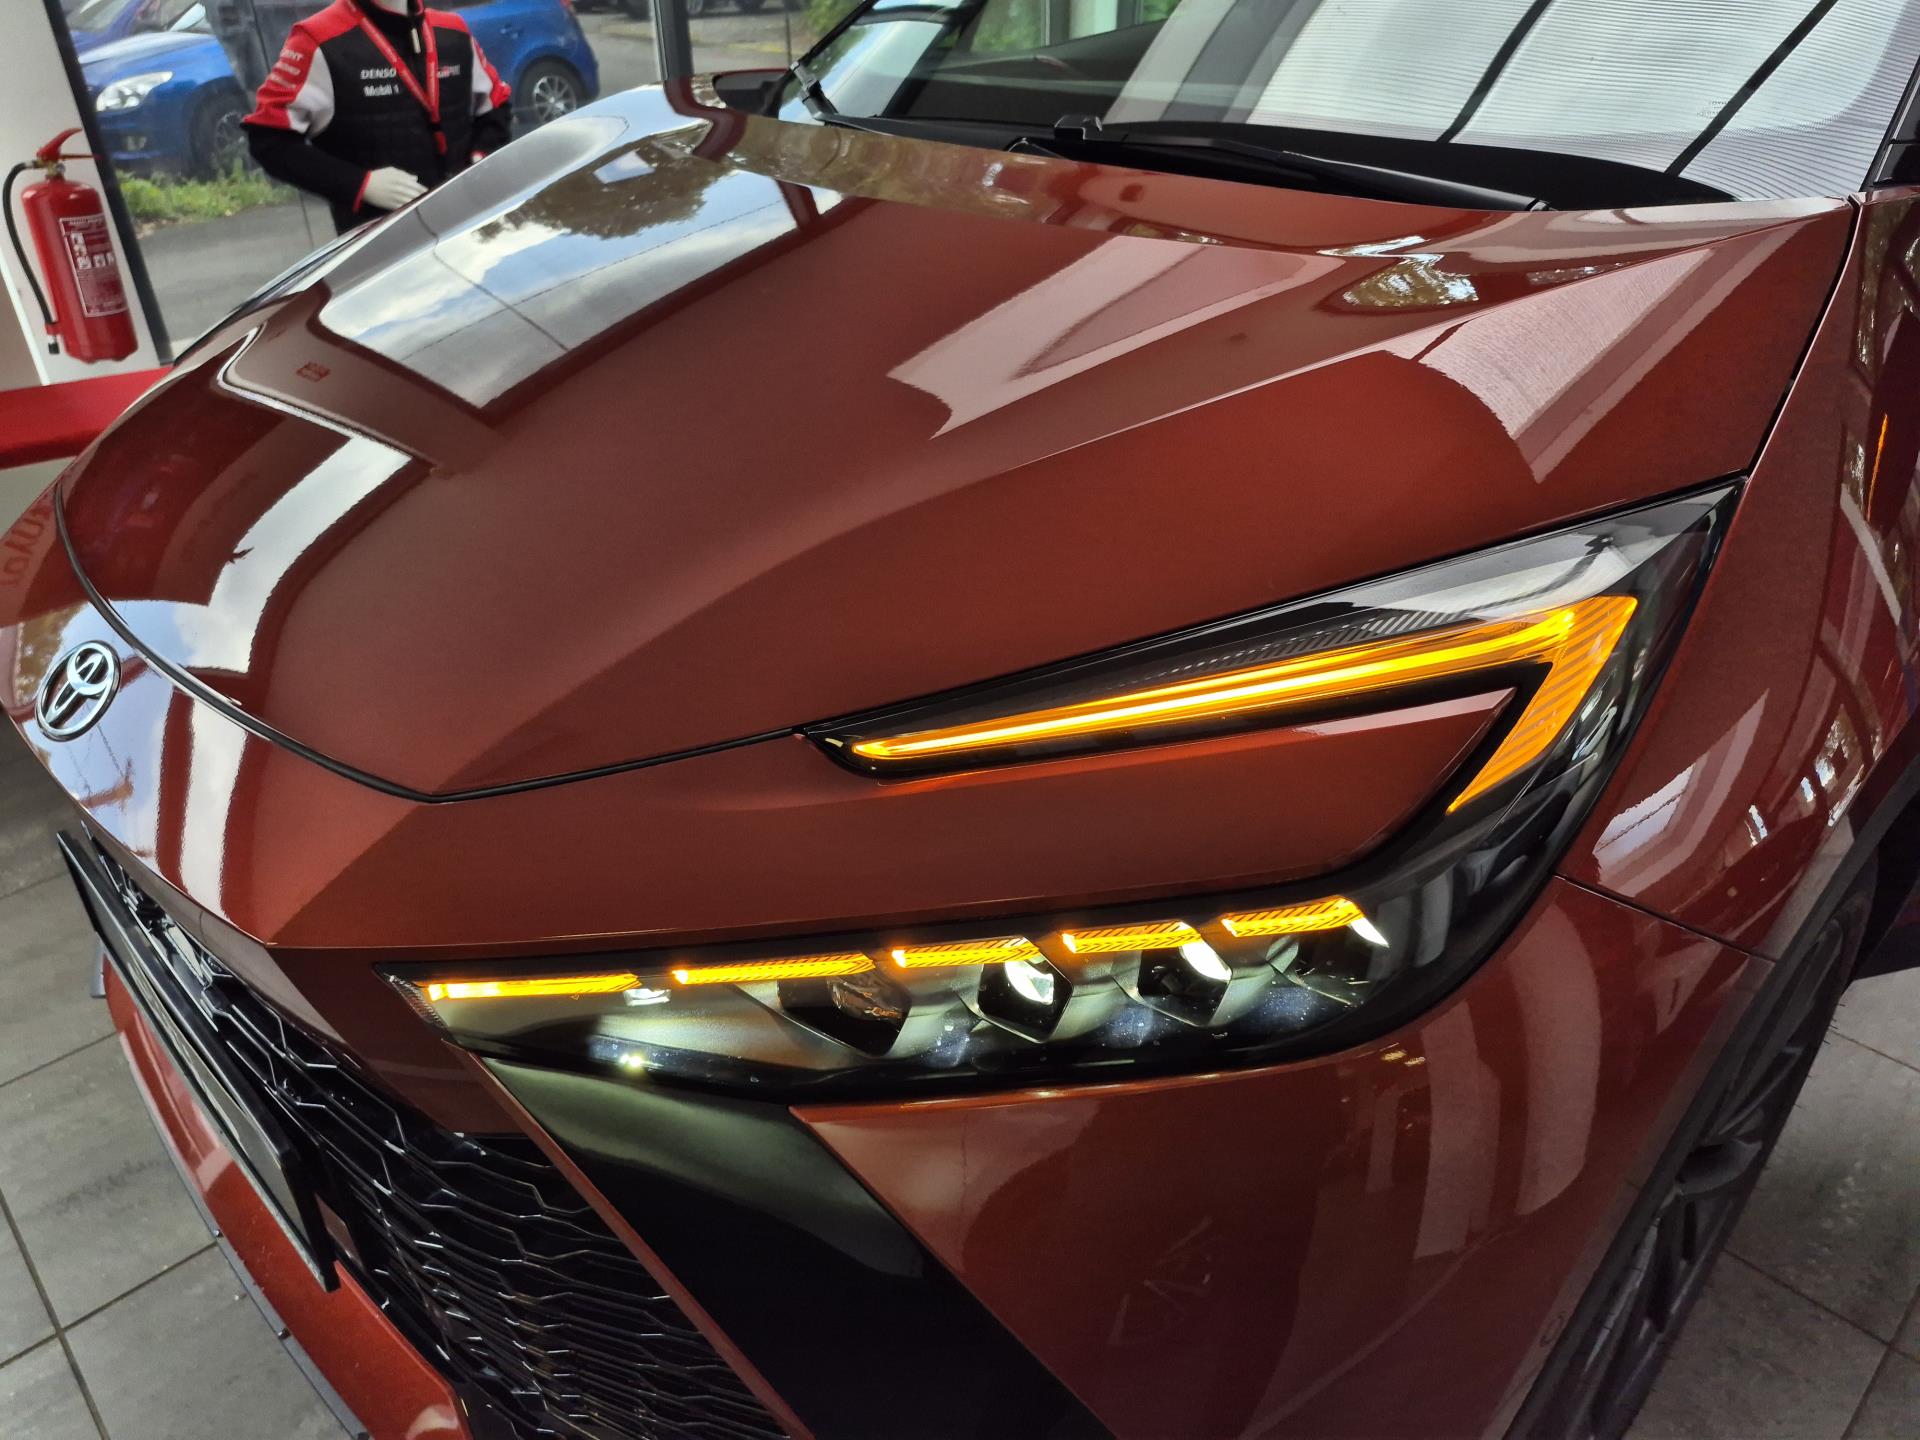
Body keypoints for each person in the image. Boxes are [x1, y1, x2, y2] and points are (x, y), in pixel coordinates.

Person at [243, 0, 512, 234]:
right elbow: (268, 141)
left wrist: (482, 160)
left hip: (465, 229)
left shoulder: (453, 32)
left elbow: (496, 106)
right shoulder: (318, 39)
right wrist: (359, 184)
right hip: (379, 245)